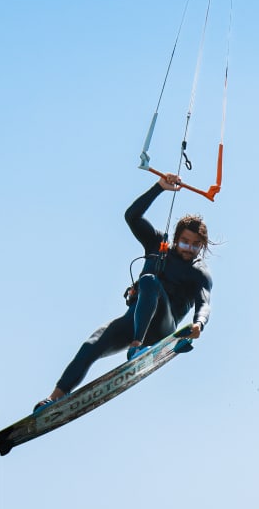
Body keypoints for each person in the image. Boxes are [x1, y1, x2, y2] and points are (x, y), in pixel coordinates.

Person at [34, 173, 212, 411]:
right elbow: (132, 216)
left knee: (150, 282)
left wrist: (199, 324)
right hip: (133, 322)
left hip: (162, 330)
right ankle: (54, 398)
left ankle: (137, 346)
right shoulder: (157, 245)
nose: (189, 248)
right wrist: (159, 187)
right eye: (184, 242)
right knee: (93, 343)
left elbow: (204, 303)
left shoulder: (199, 273)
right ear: (175, 239)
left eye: (195, 244)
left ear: (202, 245)